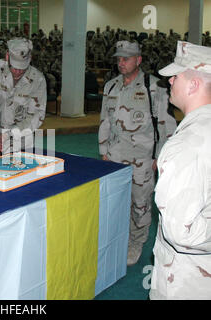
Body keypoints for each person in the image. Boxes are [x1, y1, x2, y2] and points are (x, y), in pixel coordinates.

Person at [98, 40, 177, 266]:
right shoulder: (111, 86)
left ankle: (136, 242)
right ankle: (118, 239)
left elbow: (166, 126)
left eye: (127, 59)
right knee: (115, 202)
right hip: (113, 157)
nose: (121, 63)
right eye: (119, 59)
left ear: (138, 60)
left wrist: (158, 157)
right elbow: (105, 120)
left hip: (142, 159)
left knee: (140, 204)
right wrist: (103, 150)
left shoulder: (154, 88)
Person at [149, 41, 211, 300]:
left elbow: (180, 232)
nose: (170, 81)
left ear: (194, 84)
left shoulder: (188, 144)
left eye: (176, 76)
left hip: (186, 281)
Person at [0, 37, 47, 155]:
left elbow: (36, 115)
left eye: (22, 68)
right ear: (7, 57)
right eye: (14, 67)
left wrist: (8, 134)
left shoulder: (38, 80)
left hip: (21, 140)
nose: (18, 72)